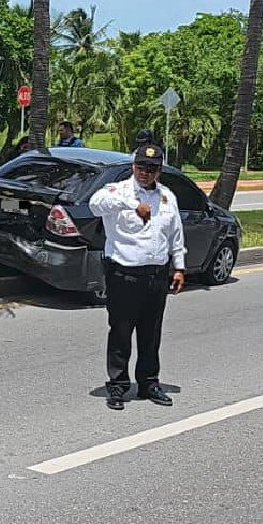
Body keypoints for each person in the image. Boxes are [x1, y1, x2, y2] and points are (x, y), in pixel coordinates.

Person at [88, 143, 186, 411]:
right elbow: (95, 205)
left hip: (156, 275)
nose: (145, 172)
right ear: (133, 166)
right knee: (121, 332)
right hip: (124, 274)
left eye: (152, 168)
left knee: (151, 333)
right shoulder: (116, 192)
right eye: (141, 166)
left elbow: (175, 234)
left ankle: (149, 383)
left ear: (159, 170)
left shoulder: (167, 197)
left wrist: (179, 267)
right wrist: (133, 204)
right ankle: (118, 386)